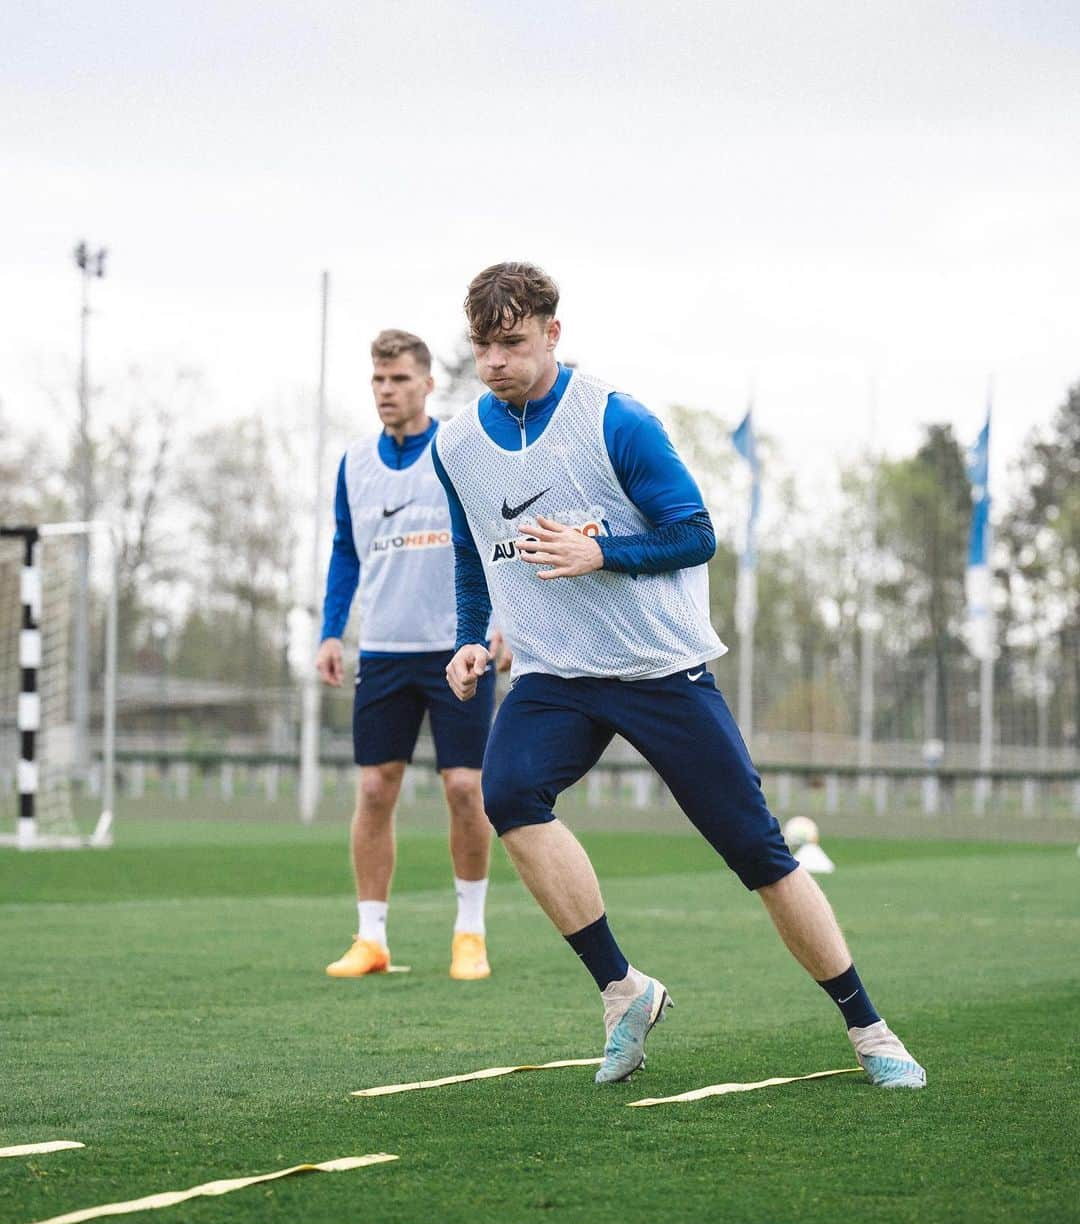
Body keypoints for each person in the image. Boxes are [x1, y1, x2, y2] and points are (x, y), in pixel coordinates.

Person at [434, 262, 925, 1087]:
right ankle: (623, 989)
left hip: (661, 668)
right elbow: (469, 553)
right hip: (555, 673)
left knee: (758, 851)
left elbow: (696, 534)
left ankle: (869, 1028)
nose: (495, 362)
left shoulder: (615, 419)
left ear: (553, 333)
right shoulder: (457, 446)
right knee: (509, 794)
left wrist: (601, 553)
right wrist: (468, 638)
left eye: (512, 343)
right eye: (483, 346)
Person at [318, 328, 504, 981]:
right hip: (386, 651)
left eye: (398, 378)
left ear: (426, 383)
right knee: (374, 788)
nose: (386, 390)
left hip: (458, 647)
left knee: (464, 787)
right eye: (377, 379)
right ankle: (371, 937)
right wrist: (330, 629)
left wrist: (498, 624)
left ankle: (470, 932)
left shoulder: (458, 450)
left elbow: (493, 535)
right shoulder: (355, 463)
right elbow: (345, 549)